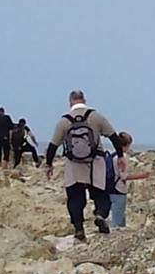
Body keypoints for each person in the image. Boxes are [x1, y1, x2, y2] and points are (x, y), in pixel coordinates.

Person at [44, 90, 126, 242]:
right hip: (95, 164)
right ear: (84, 100)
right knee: (101, 194)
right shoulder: (96, 117)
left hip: (73, 166)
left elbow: (53, 145)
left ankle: (79, 229)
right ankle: (100, 214)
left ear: (70, 101)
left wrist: (48, 164)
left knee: (75, 198)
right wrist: (120, 156)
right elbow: (114, 137)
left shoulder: (64, 121)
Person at [107, 132, 149, 228]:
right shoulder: (123, 157)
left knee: (120, 218)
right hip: (119, 189)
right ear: (127, 144)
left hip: (110, 187)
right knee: (117, 221)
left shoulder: (112, 154)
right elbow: (124, 176)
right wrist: (142, 175)